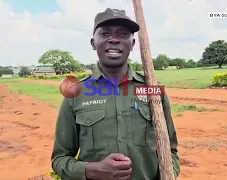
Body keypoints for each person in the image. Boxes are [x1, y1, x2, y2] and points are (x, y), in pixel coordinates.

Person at [51, 8, 180, 180]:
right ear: (93, 42)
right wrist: (92, 170)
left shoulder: (153, 91)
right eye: (105, 34)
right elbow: (60, 159)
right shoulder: (75, 94)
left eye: (123, 34)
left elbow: (170, 151)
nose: (114, 39)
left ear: (132, 44)